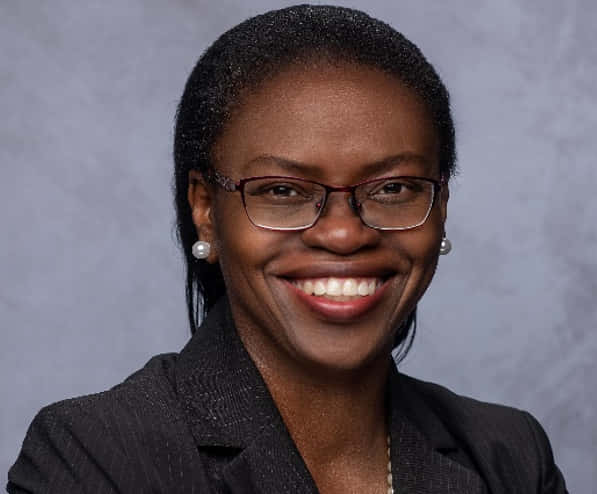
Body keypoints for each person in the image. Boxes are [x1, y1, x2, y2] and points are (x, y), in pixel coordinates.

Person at [7, 5, 567, 493]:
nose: (345, 234)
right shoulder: (95, 456)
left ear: (440, 204)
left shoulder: (509, 455)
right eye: (283, 191)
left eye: (393, 188)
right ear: (205, 208)